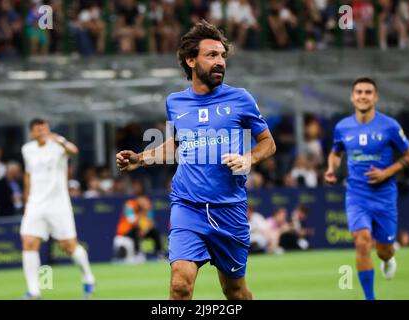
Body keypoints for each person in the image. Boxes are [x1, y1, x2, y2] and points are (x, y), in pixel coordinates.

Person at [116, 20, 276, 300]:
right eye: (212, 55)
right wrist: (141, 159)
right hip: (187, 206)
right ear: (191, 60)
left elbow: (268, 143)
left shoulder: (241, 99)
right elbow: (178, 145)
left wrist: (248, 159)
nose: (220, 62)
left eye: (222, 56)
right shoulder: (175, 103)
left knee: (235, 292)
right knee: (180, 285)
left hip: (230, 209)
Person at [324, 77, 409, 300]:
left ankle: (388, 257)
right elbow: (336, 152)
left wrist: (387, 172)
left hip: (384, 195)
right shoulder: (343, 126)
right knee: (363, 242)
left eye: (368, 92)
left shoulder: (390, 125)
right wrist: (330, 169)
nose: (363, 96)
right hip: (357, 194)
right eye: (359, 92)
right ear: (352, 97)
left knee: (384, 250)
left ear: (375, 97)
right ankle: (370, 297)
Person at [20, 119, 95, 299]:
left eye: (44, 129)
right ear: (32, 133)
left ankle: (88, 277)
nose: (42, 132)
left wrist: (59, 140)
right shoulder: (27, 149)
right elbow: (28, 175)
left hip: (58, 204)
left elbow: (74, 151)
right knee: (29, 242)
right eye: (38, 130)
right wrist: (27, 200)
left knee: (69, 246)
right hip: (35, 204)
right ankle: (34, 291)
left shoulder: (58, 145)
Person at [114, 195, 163, 262]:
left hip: (142, 230)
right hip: (126, 233)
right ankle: (137, 254)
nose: (144, 202)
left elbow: (151, 222)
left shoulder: (147, 206)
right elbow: (132, 221)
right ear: (138, 199)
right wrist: (142, 213)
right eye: (142, 200)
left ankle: (159, 254)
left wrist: (145, 230)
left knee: (155, 232)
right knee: (136, 232)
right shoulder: (130, 205)